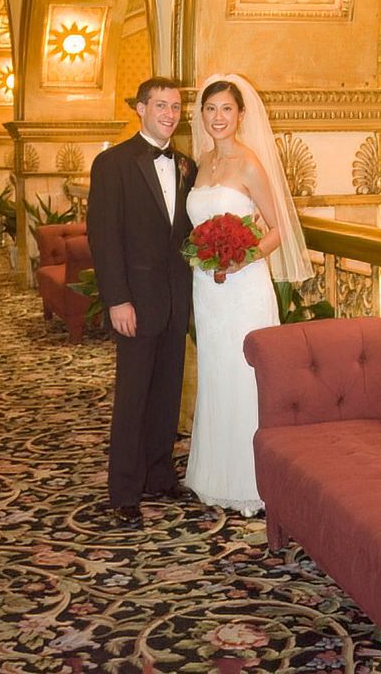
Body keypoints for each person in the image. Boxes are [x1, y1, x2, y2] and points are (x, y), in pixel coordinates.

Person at [184, 73, 312, 516]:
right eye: (210, 109)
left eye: (226, 109)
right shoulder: (200, 162)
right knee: (216, 374)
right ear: (201, 115)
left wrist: (244, 257)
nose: (218, 117)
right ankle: (212, 474)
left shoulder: (250, 162)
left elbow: (279, 228)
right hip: (208, 286)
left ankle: (252, 480)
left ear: (240, 115)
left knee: (245, 375)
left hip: (243, 285)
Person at [87, 77, 197, 527]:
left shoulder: (187, 164)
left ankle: (158, 473)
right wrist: (117, 299)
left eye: (175, 106)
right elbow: (104, 237)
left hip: (177, 296)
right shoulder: (112, 163)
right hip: (134, 299)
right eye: (160, 105)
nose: (170, 114)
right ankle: (125, 489)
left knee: (168, 391)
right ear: (140, 108)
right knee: (133, 396)